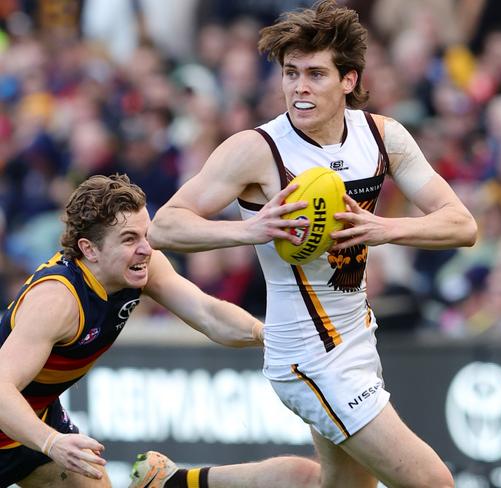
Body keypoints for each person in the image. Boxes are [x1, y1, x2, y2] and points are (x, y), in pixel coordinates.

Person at [147, 1, 477, 487]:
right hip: (307, 353)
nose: (299, 87)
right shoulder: (259, 149)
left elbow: (462, 225)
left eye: (316, 74)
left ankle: (174, 483)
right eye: (290, 73)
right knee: (435, 483)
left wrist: (384, 229)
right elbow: (164, 227)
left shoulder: (383, 137)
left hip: (359, 337)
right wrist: (250, 230)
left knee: (329, 484)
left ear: (349, 80)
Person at [0, 174, 320, 488]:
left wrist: (265, 335)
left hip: (34, 419)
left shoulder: (140, 266)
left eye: (145, 234)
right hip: (20, 420)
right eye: (129, 239)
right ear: (90, 249)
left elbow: (207, 313)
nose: (146, 248)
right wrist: (52, 442)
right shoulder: (58, 300)